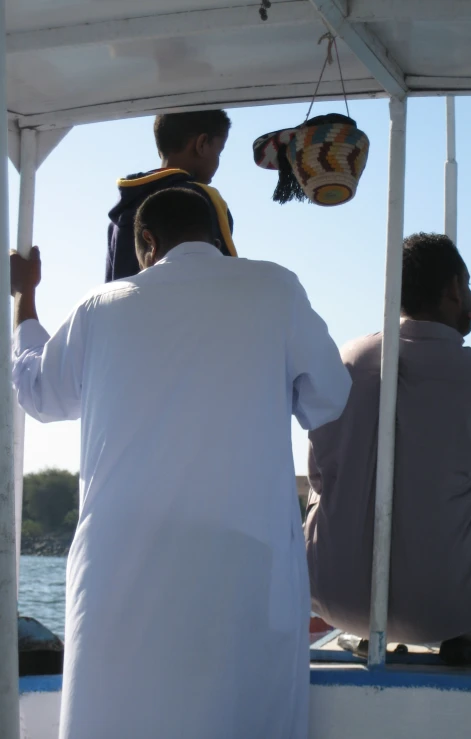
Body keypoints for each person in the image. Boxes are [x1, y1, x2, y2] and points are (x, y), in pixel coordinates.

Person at [11, 187, 352, 739]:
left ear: (146, 242)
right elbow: (329, 398)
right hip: (243, 569)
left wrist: (24, 298)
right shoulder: (274, 288)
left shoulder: (102, 307)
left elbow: (37, 391)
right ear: (214, 235)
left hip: (119, 570)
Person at [305, 232, 471, 665]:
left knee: (332, 474)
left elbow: (321, 475)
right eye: (468, 283)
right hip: (449, 611)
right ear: (455, 290)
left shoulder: (346, 360)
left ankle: (368, 606)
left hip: (332, 598)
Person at [106, 110, 236, 282]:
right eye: (219, 152)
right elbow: (227, 274)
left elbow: (111, 285)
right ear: (202, 144)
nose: (218, 161)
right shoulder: (202, 199)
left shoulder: (122, 210)